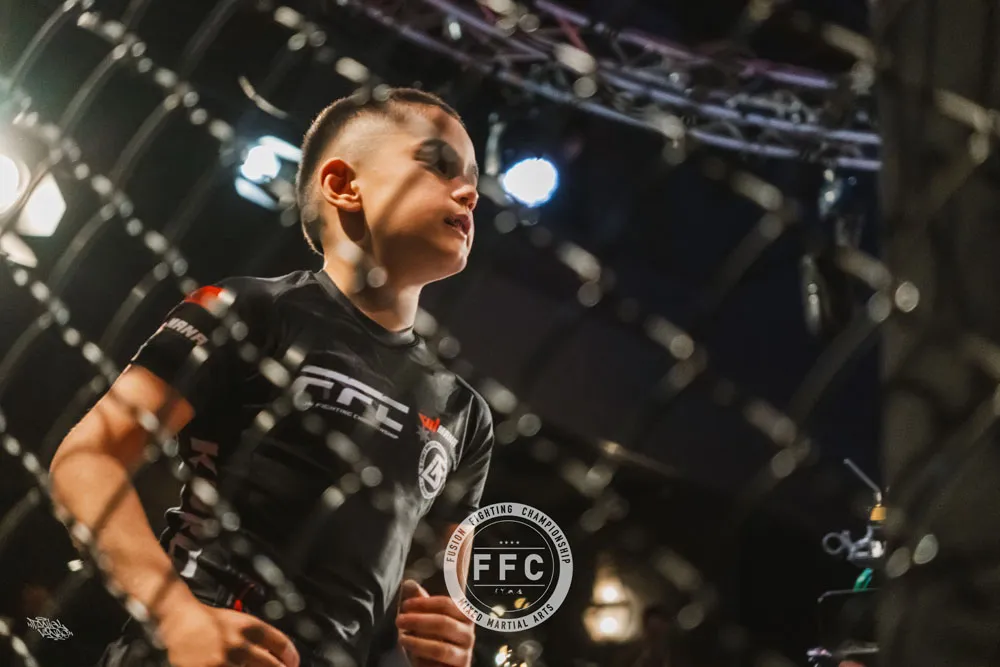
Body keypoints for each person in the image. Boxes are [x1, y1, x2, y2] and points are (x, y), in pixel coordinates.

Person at [48, 87, 493, 667]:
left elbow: (440, 607)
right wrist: (178, 617)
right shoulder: (248, 310)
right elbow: (86, 460)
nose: (469, 192)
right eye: (438, 165)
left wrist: (449, 647)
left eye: (473, 180)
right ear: (344, 184)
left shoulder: (466, 412)